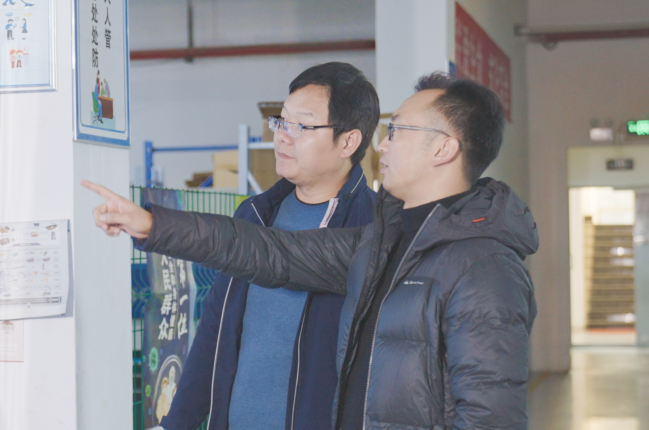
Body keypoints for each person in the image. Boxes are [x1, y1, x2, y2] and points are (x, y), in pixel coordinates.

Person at [83, 73, 538, 429]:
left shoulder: (485, 269)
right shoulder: (382, 242)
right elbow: (271, 253)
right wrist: (154, 225)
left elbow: (490, 417)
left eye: (397, 130)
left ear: (443, 149)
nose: (383, 143)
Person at [152, 63, 379, 430]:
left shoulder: (374, 229)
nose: (282, 137)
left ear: (348, 142)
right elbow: (214, 332)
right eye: (281, 121)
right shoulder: (255, 215)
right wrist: (175, 423)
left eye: (301, 126)